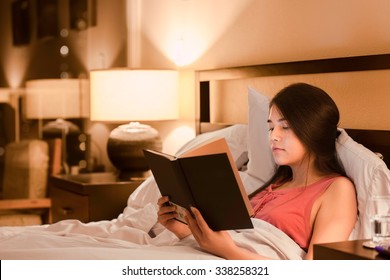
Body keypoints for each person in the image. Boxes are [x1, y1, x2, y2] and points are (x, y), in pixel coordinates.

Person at [157, 83, 358, 260]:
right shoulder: (274, 184)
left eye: (285, 127)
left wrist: (228, 251)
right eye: (271, 128)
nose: (274, 136)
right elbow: (233, 240)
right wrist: (184, 230)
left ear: (314, 131)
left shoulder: (337, 188)